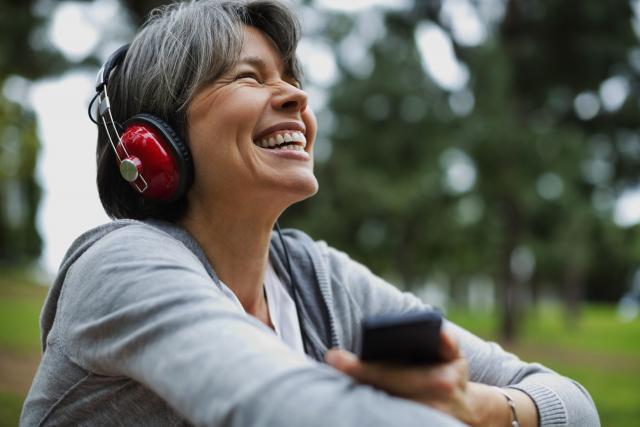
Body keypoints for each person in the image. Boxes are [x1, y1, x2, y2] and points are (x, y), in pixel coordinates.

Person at [21, 1, 600, 426]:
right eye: (249, 76)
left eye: (292, 78)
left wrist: (477, 406)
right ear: (154, 143)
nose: (296, 97)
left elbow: (572, 403)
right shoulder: (121, 266)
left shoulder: (314, 280)